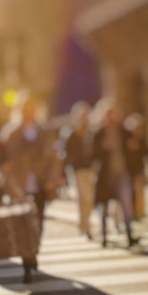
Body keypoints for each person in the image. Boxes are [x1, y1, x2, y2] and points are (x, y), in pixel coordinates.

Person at [0, 99, 59, 283]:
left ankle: (34, 251)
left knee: (38, 221)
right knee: (22, 224)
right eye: (26, 110)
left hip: (40, 183)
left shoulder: (44, 131)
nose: (30, 113)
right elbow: (3, 156)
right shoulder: (12, 132)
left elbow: (54, 157)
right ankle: (26, 261)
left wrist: (52, 178)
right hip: (19, 185)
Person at [92, 100, 140, 248]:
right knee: (105, 207)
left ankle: (129, 234)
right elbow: (93, 154)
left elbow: (133, 150)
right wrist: (103, 147)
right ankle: (104, 236)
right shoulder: (99, 133)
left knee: (126, 204)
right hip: (106, 175)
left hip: (122, 173)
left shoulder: (123, 132)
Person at [59, 102, 98, 241]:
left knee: (90, 199)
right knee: (84, 198)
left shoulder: (91, 133)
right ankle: (85, 227)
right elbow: (65, 155)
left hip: (91, 169)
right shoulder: (71, 134)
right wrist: (63, 174)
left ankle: (85, 225)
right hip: (78, 170)